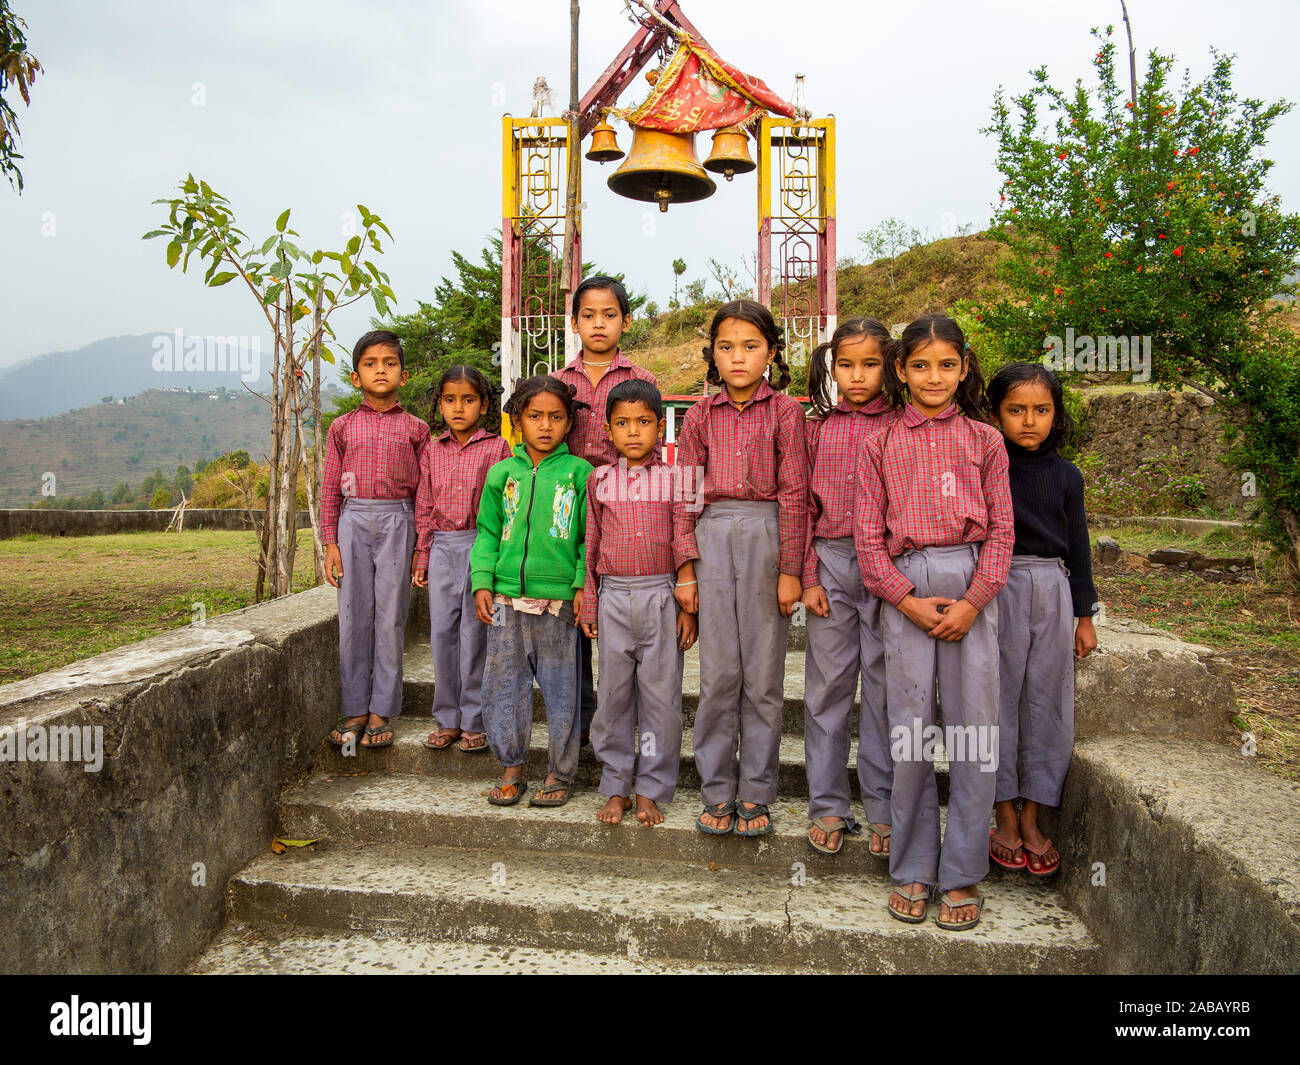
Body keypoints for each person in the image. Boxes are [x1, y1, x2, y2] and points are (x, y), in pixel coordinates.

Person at [854, 314, 1013, 931]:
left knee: (975, 734)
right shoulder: (880, 441)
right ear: (901, 371)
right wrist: (907, 598)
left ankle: (965, 871)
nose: (934, 376)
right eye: (920, 365)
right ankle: (914, 865)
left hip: (974, 584)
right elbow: (869, 542)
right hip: (907, 591)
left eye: (947, 364)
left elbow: (1003, 530)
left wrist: (974, 600)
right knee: (911, 732)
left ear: (965, 367)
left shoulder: (985, 441)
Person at [674, 299, 809, 839]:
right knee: (718, 676)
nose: (738, 358)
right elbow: (683, 495)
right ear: (713, 355)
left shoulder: (786, 413)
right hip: (710, 537)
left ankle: (756, 791)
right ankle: (715, 789)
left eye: (751, 347)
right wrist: (684, 566)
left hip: (767, 536)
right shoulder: (700, 415)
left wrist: (791, 567)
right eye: (726, 347)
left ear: (771, 353)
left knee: (764, 677)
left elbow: (796, 492)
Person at [986, 362, 1099, 876]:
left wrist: (1084, 615)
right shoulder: (987, 464)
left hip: (1052, 588)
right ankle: (1003, 813)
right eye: (1016, 410)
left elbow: (1079, 548)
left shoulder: (1067, 476)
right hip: (996, 584)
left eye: (1041, 410)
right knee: (996, 700)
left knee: (1048, 702)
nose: (1029, 420)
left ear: (1056, 415)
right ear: (995, 414)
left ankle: (1034, 815)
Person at [800, 317, 898, 857]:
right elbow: (800, 508)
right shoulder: (816, 428)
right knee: (827, 691)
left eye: (870, 364)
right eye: (845, 365)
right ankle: (829, 804)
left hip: (893, 570)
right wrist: (808, 573)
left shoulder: (905, 424)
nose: (856, 377)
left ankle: (884, 806)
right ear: (831, 367)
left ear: (890, 367)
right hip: (832, 562)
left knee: (887, 692)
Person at [581, 380, 698, 827]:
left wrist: (688, 607)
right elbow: (590, 544)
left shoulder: (675, 479)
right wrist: (590, 600)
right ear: (608, 430)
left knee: (661, 700)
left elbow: (684, 536)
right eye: (623, 423)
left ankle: (651, 788)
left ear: (660, 426)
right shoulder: (599, 480)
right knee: (612, 698)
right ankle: (615, 785)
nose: (634, 432)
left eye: (644, 422)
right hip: (613, 596)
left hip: (661, 594)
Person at [471, 376, 592, 808]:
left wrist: (580, 585)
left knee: (562, 688)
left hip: (558, 603)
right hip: (504, 601)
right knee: (503, 684)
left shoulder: (580, 474)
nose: (545, 425)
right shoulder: (502, 473)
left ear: (569, 422)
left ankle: (560, 771)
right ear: (518, 420)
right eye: (535, 416)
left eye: (556, 417)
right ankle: (511, 766)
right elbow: (486, 532)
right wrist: (482, 580)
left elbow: (586, 540)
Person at [552, 275, 659, 747]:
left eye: (610, 315)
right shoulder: (558, 382)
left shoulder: (642, 381)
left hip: (624, 510)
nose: (599, 324)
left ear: (626, 321)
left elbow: (652, 451)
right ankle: (579, 733)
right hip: (567, 508)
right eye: (589, 315)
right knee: (572, 618)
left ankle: (624, 735)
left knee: (618, 627)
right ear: (574, 322)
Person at [323, 329, 430, 750]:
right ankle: (353, 708)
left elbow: (425, 492)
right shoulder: (341, 427)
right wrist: (330, 542)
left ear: (404, 375)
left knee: (390, 618)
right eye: (370, 364)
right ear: (355, 377)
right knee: (352, 619)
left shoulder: (416, 429)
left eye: (389, 363)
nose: (380, 370)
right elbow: (331, 485)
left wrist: (421, 547)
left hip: (398, 521)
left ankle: (382, 709)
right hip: (353, 521)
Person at [412, 365, 511, 754]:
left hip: (481, 546)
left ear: (484, 405)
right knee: (442, 634)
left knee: (476, 636)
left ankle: (474, 719)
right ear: (440, 404)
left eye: (468, 400)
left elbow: (506, 507)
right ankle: (446, 718)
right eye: (450, 400)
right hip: (441, 547)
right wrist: (422, 553)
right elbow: (424, 505)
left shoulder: (497, 448)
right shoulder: (432, 449)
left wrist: (497, 560)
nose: (458, 408)